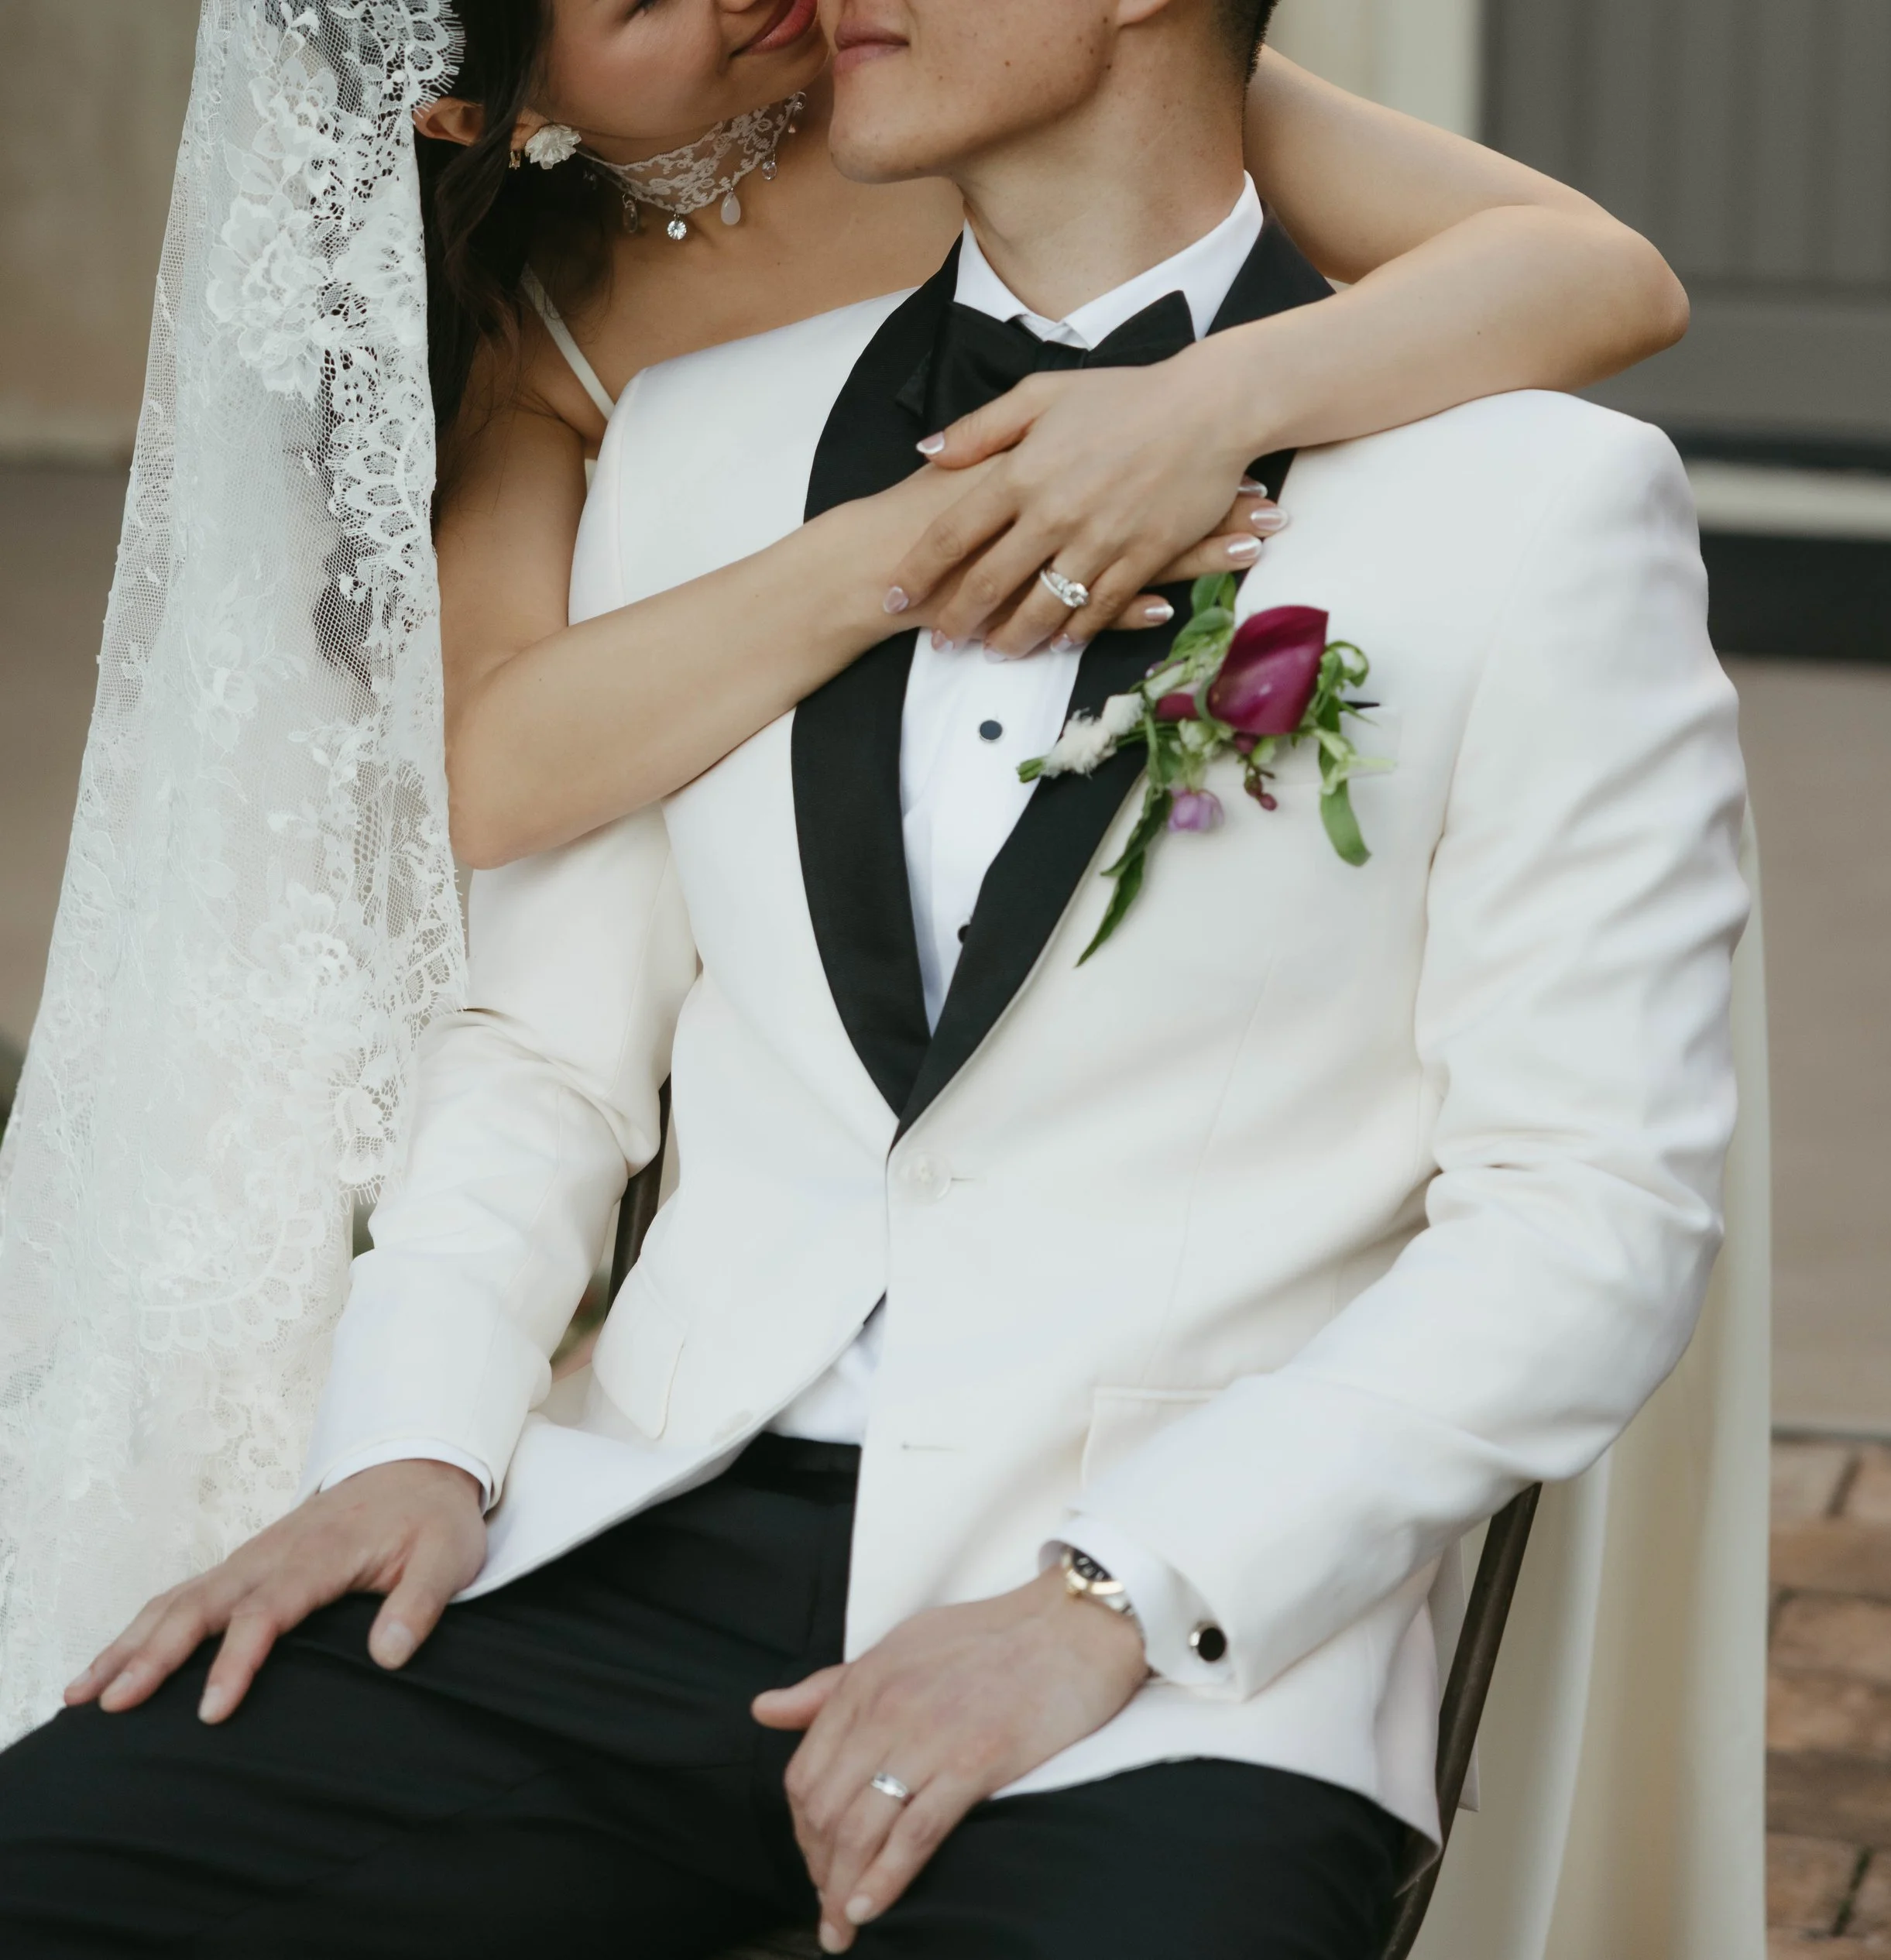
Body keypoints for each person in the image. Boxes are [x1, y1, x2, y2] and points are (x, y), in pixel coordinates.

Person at [0, 1, 1752, 1956]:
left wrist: (1116, 1592)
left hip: (1159, 1640)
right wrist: (407, 1437)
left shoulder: (1528, 505)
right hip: (639, 1538)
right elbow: (542, 1053)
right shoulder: (672, 438)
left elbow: (1586, 1212)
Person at [412, 0, 1690, 868]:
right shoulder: (529, 340)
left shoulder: (976, 70)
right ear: (475, 115)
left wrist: (1198, 407)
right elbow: (486, 772)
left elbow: (1606, 276)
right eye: (646, 3)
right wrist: (933, 535)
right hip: (824, 872)